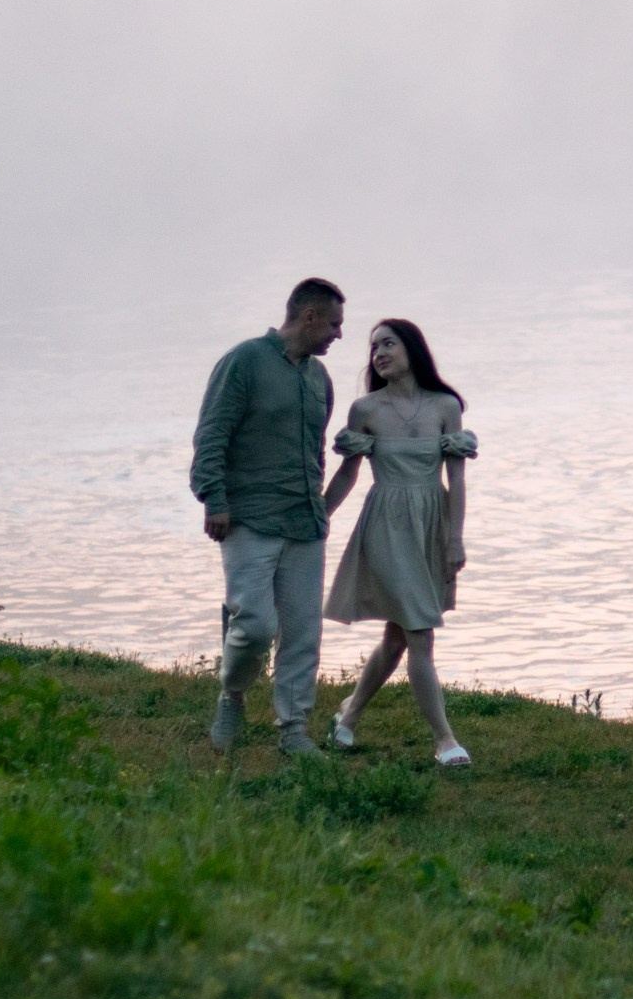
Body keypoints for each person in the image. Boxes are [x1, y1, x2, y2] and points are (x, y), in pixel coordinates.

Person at [189, 276, 345, 755]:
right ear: (309, 316)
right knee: (256, 625)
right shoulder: (245, 361)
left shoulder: (319, 379)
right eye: (335, 324)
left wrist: (320, 504)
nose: (339, 335)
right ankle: (232, 695)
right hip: (247, 517)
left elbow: (316, 450)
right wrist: (213, 498)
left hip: (304, 524)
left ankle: (293, 730)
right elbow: (212, 433)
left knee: (302, 633)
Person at [321, 318, 478, 767]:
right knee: (419, 632)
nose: (378, 354)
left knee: (397, 637)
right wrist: (319, 516)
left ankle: (348, 714)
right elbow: (349, 473)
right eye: (373, 348)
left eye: (388, 344)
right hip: (385, 524)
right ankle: (445, 740)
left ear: (412, 348)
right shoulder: (365, 409)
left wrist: (455, 539)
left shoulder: (445, 405)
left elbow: (457, 479)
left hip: (431, 522)